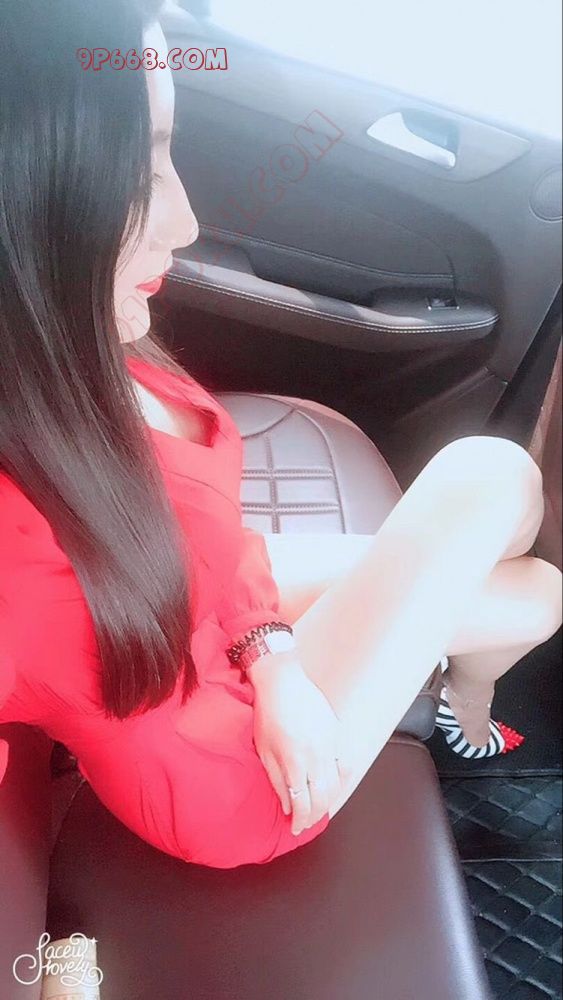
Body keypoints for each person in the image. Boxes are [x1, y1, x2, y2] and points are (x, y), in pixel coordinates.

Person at [0, 0, 561, 871]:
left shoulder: (70, 353)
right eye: (136, 178)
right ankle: (469, 709)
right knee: (516, 540)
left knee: (525, 558)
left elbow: (212, 543)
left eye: (166, 154)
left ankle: (461, 699)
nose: (185, 224)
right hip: (241, 775)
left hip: (185, 602)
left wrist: (274, 662)